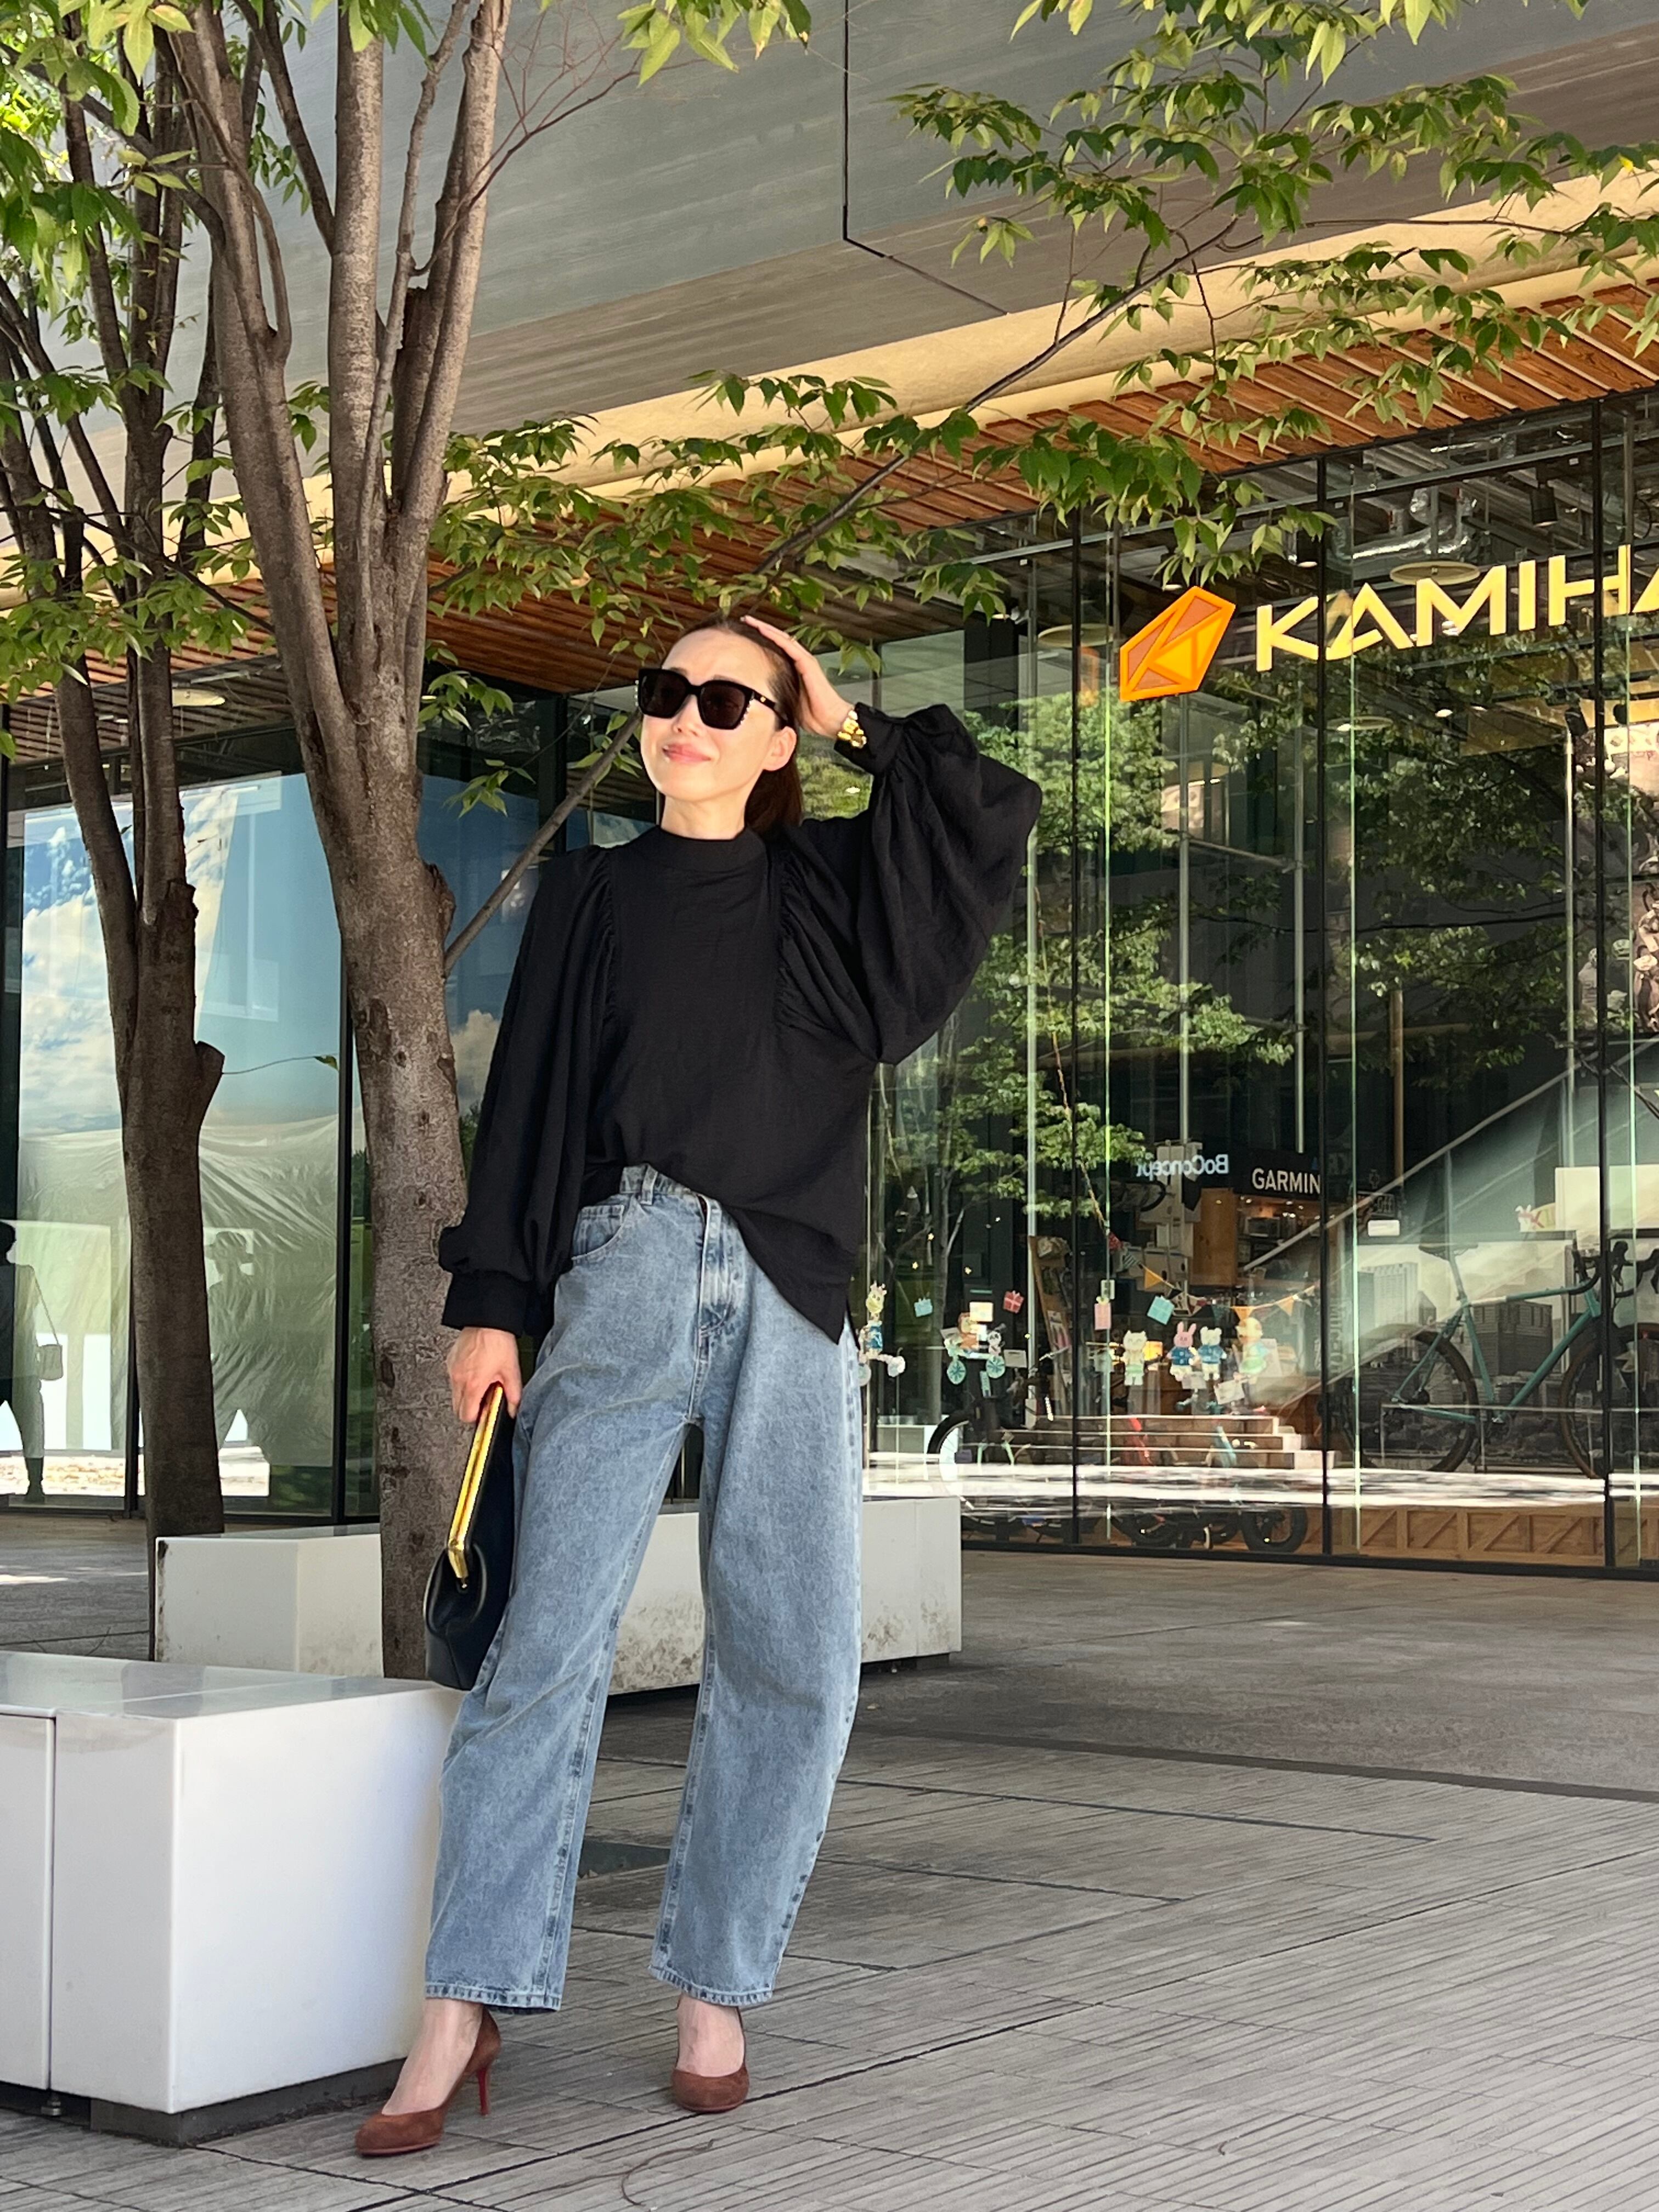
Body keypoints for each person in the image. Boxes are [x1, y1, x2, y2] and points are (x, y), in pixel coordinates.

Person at [354, 615, 1042, 2157]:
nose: (686, 717)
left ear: (778, 735)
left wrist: (856, 720)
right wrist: (492, 1307)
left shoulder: (834, 887)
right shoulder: (595, 893)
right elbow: (529, 1102)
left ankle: (716, 1987)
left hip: (793, 1290)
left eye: (729, 699)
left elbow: (986, 812)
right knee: (542, 1647)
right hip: (625, 1266)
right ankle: (463, 2001)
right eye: (667, 693)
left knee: (793, 1654)